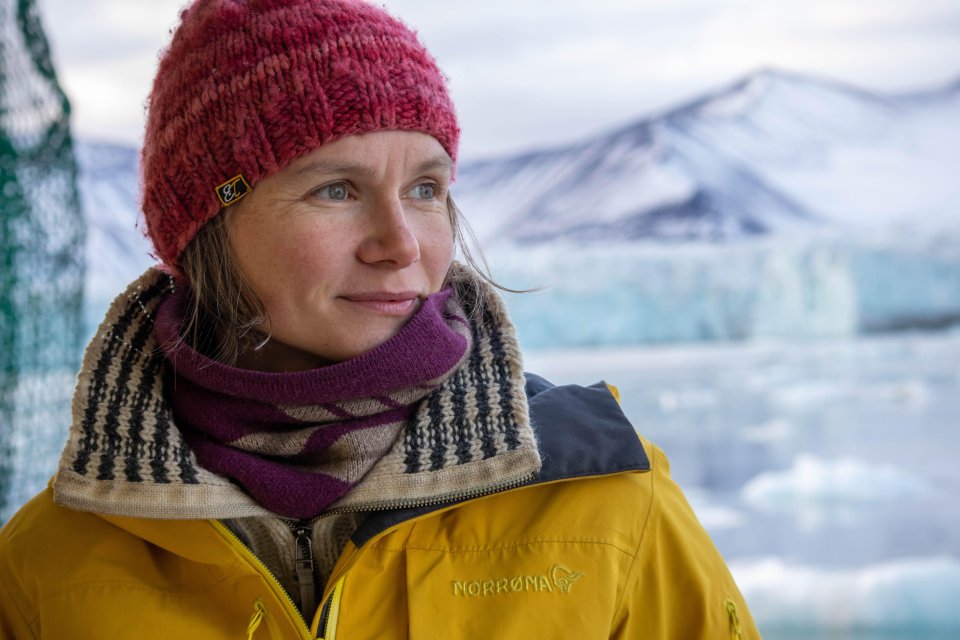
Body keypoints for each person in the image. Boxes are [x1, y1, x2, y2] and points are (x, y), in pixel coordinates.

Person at [0, 1, 760, 637]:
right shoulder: (52, 559)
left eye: (426, 189)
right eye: (336, 190)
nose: (401, 245)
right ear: (208, 221)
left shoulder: (604, 496)